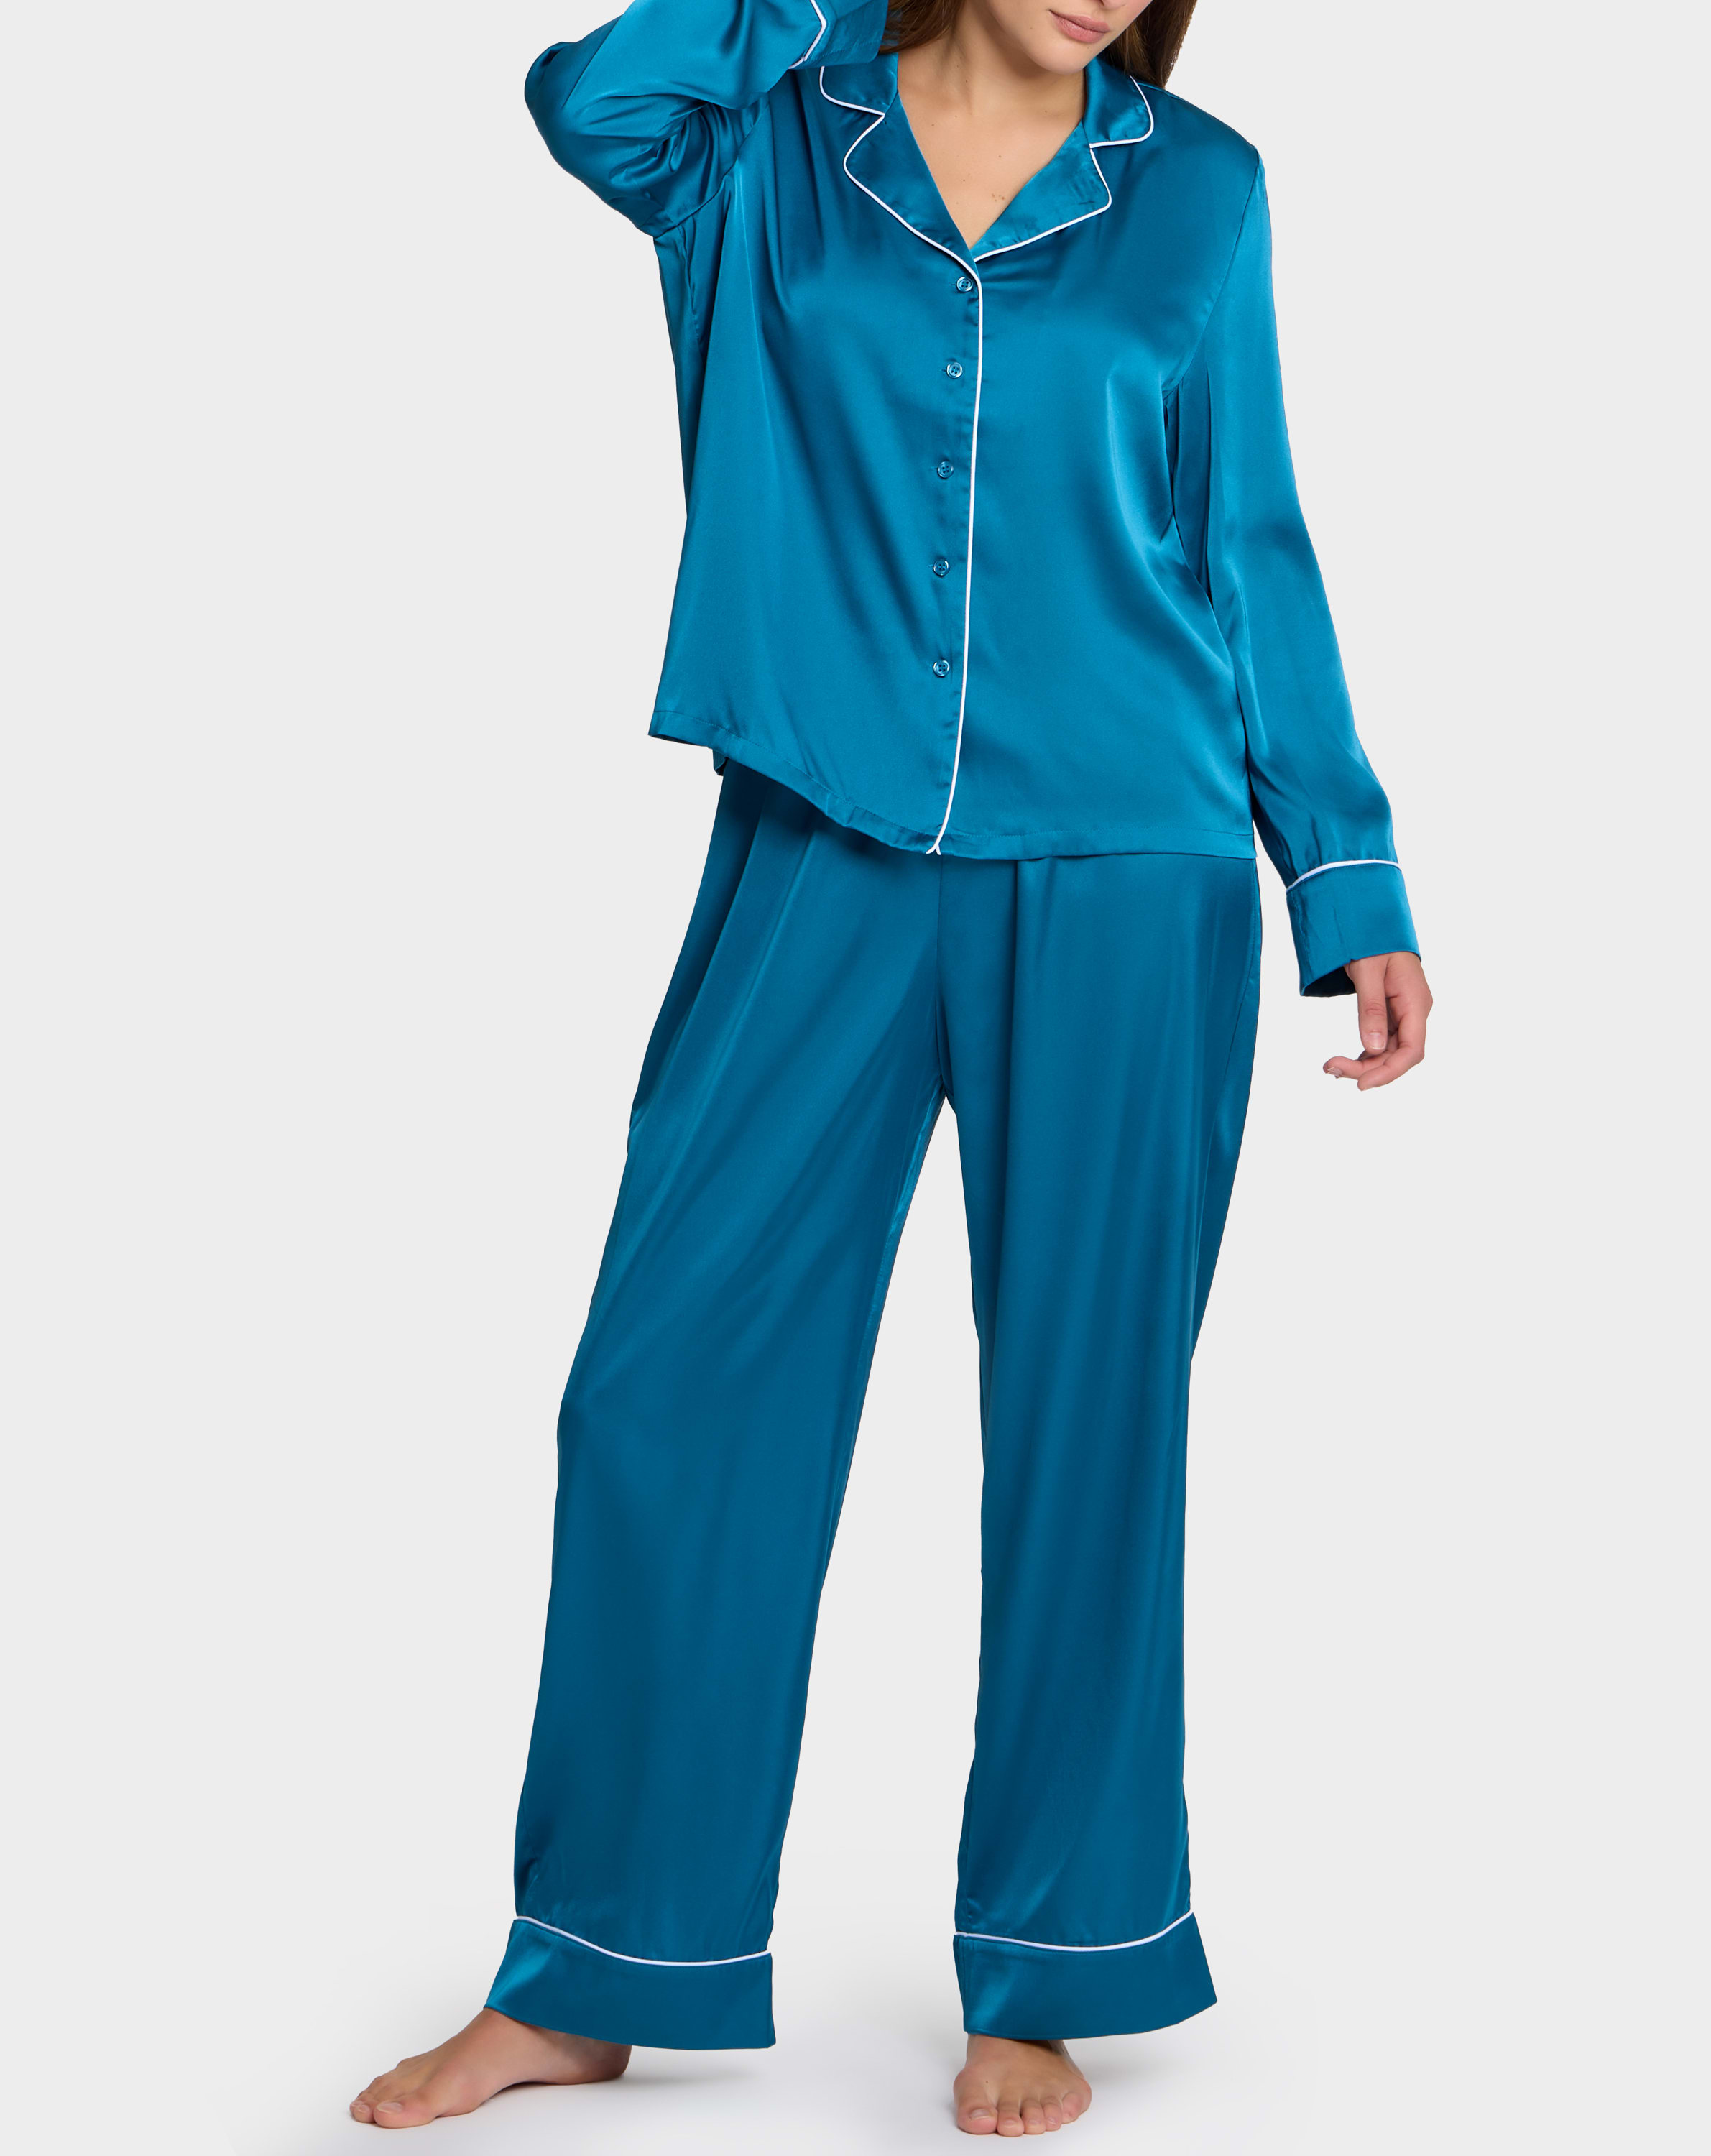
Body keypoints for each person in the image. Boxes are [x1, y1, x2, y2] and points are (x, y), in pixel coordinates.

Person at [351, 0, 1431, 2132]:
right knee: (666, 1385)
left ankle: (1053, 1968)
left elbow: (1248, 535)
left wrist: (1347, 867)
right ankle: (600, 1965)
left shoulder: (1200, 191)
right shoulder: (765, 144)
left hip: (1129, 859)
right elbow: (590, 95)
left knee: (1090, 1420)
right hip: (821, 839)